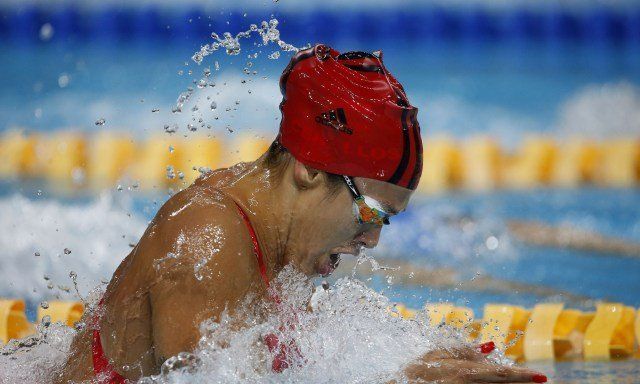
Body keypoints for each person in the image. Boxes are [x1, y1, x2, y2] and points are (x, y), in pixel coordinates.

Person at [54, 44, 547, 384]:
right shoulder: (212, 241)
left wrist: (412, 363)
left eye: (387, 220)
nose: (373, 240)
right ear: (310, 170)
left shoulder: (272, 236)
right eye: (372, 212)